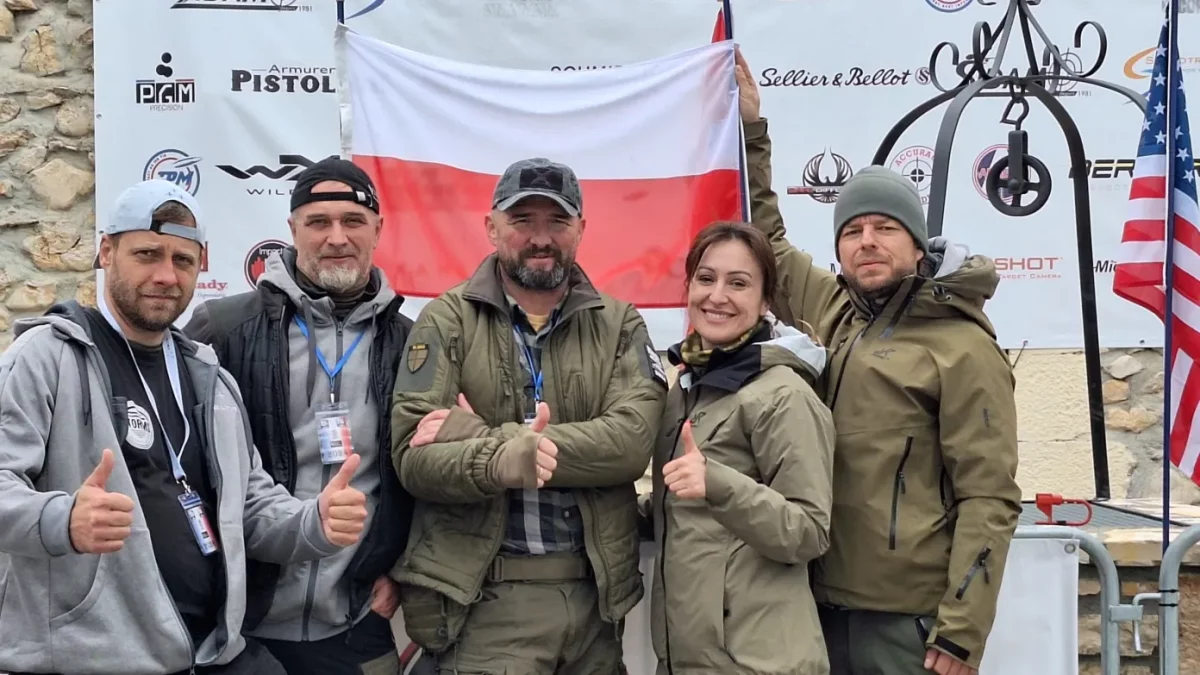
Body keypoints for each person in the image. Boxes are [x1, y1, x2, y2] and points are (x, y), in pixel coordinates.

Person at [0, 179, 369, 675]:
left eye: (182, 260)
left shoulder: (209, 377)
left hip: (211, 651)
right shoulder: (47, 357)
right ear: (106, 252)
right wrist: (61, 520)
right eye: (147, 255)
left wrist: (314, 522)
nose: (165, 275)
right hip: (90, 659)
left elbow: (251, 507)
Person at [735, 50, 1022, 675]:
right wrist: (751, 131)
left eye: (885, 228)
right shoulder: (836, 310)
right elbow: (768, 242)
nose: (867, 241)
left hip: (905, 624)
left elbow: (989, 497)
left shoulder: (963, 346)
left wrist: (961, 632)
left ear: (918, 245)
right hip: (816, 604)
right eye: (852, 230)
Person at [387, 157, 669, 674]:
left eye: (557, 221)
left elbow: (630, 444)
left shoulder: (620, 324)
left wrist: (491, 440)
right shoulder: (446, 320)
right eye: (522, 221)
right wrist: (498, 463)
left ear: (581, 229)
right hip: (488, 603)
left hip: (596, 606)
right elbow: (413, 457)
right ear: (492, 228)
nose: (541, 238)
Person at [183, 157, 418, 675]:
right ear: (292, 230)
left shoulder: (411, 341)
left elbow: (421, 474)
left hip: (357, 620)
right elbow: (179, 463)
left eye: (353, 221)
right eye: (318, 222)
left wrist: (405, 568)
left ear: (378, 229)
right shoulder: (223, 327)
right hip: (243, 624)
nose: (337, 238)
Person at [648, 222, 835, 675]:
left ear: (765, 300)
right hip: (690, 658)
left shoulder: (783, 394)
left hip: (758, 661)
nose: (717, 296)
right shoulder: (687, 387)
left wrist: (717, 483)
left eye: (738, 283)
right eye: (706, 278)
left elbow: (808, 531)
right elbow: (689, 514)